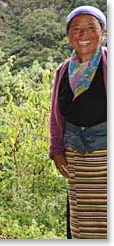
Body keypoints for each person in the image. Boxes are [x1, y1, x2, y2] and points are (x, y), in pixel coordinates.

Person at [49, 5, 107, 239]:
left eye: (90, 28)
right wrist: (56, 150)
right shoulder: (63, 71)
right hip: (75, 154)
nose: (83, 35)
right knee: (81, 217)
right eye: (76, 29)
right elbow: (56, 117)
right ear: (68, 37)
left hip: (105, 153)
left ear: (103, 33)